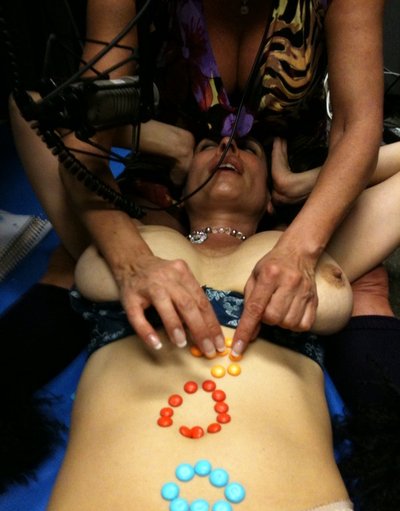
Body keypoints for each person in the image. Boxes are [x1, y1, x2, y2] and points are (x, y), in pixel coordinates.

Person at [42, 136, 400, 511]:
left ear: (269, 198)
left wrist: (307, 183)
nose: (228, 144)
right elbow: (40, 125)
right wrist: (167, 142)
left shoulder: (309, 252)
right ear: (178, 191)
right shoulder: (118, 237)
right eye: (207, 145)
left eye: (249, 148)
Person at [6, 0, 387, 359]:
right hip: (168, 173)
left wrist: (302, 241)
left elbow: (357, 126)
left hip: (294, 174)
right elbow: (79, 133)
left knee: (366, 292)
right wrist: (131, 262)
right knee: (79, 269)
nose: (228, 146)